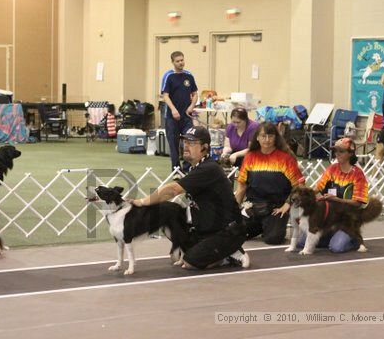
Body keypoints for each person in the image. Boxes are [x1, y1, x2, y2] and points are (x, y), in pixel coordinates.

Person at [130, 126, 249, 269]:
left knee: (190, 262)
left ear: (204, 147)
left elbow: (173, 190)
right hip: (207, 228)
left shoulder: (208, 168)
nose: (186, 146)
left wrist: (142, 202)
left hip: (228, 231)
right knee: (175, 236)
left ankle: (229, 254)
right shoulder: (196, 167)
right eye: (185, 142)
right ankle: (215, 251)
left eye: (192, 143)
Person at [235, 122, 305, 245]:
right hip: (253, 207)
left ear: (275, 138)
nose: (267, 140)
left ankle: (268, 226)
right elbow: (241, 187)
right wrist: (233, 211)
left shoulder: (285, 158)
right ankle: (262, 226)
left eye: (270, 136)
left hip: (276, 208)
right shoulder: (250, 157)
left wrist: (287, 205)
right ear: (257, 137)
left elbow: (299, 186)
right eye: (263, 136)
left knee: (273, 239)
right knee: (232, 232)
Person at [296, 137, 369, 253]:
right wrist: (301, 192)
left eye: (341, 151)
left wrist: (337, 199)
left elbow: (358, 202)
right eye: (336, 151)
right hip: (328, 216)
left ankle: (355, 241)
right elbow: (317, 188)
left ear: (350, 153)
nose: (337, 154)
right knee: (300, 243)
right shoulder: (332, 168)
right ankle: (331, 235)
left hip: (347, 217)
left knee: (336, 248)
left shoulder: (358, 175)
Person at [162, 51, 198, 173]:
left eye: (182, 60)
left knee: (190, 140)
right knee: (174, 143)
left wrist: (191, 106)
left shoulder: (189, 76)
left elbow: (195, 94)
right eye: (178, 61)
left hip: (186, 116)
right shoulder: (168, 76)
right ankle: (176, 169)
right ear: (173, 62)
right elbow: (165, 96)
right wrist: (173, 110)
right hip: (172, 117)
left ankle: (187, 167)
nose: (181, 63)